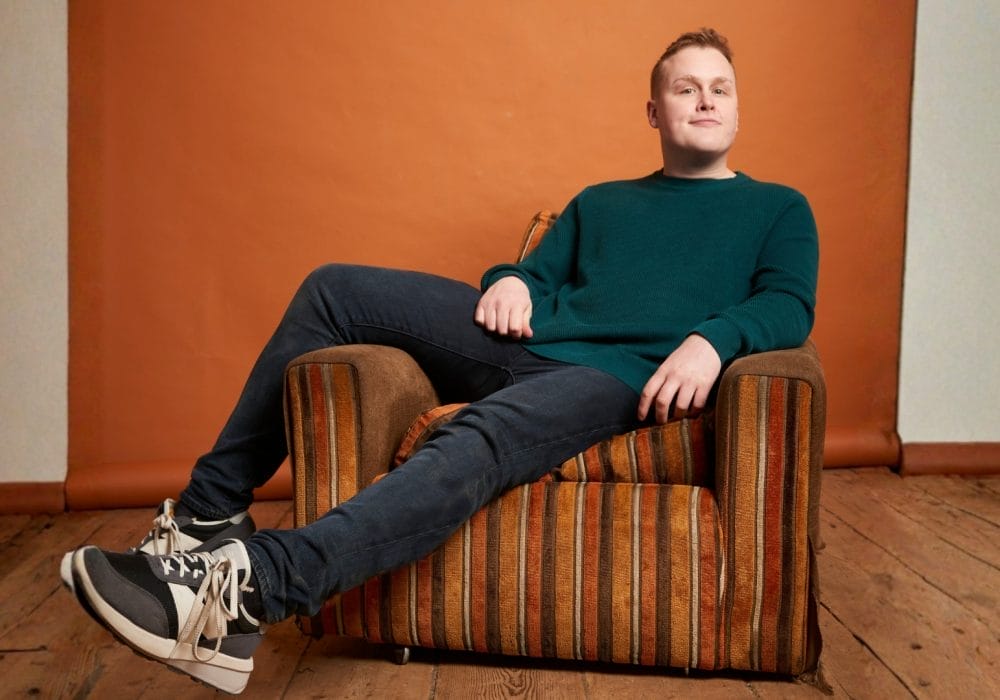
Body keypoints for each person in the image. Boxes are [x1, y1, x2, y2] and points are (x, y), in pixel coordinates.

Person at [61, 28, 818, 694]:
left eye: (721, 88)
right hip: (526, 342)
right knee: (335, 289)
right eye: (686, 87)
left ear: (737, 107)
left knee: (475, 437)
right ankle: (206, 516)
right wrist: (513, 279)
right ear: (655, 111)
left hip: (616, 378)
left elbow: (789, 303)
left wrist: (712, 339)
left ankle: (245, 597)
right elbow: (536, 275)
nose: (706, 100)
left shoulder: (778, 207)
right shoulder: (602, 200)